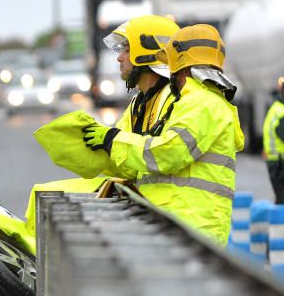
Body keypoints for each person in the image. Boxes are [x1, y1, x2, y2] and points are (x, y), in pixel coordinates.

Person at [81, 24, 244, 244]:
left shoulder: (203, 104)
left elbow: (168, 153)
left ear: (180, 65)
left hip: (192, 230)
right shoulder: (198, 102)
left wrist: (113, 141)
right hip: (183, 226)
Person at [25, 15, 180, 233]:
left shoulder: (177, 99)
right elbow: (126, 161)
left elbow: (165, 155)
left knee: (54, 202)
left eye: (126, 49)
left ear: (148, 53)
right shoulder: (140, 102)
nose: (119, 58)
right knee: (43, 193)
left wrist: (110, 140)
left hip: (176, 216)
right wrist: (92, 147)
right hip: (153, 205)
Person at [263, 77, 284, 204]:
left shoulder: (277, 107)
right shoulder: (282, 112)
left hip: (276, 161)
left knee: (282, 199)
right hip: (280, 163)